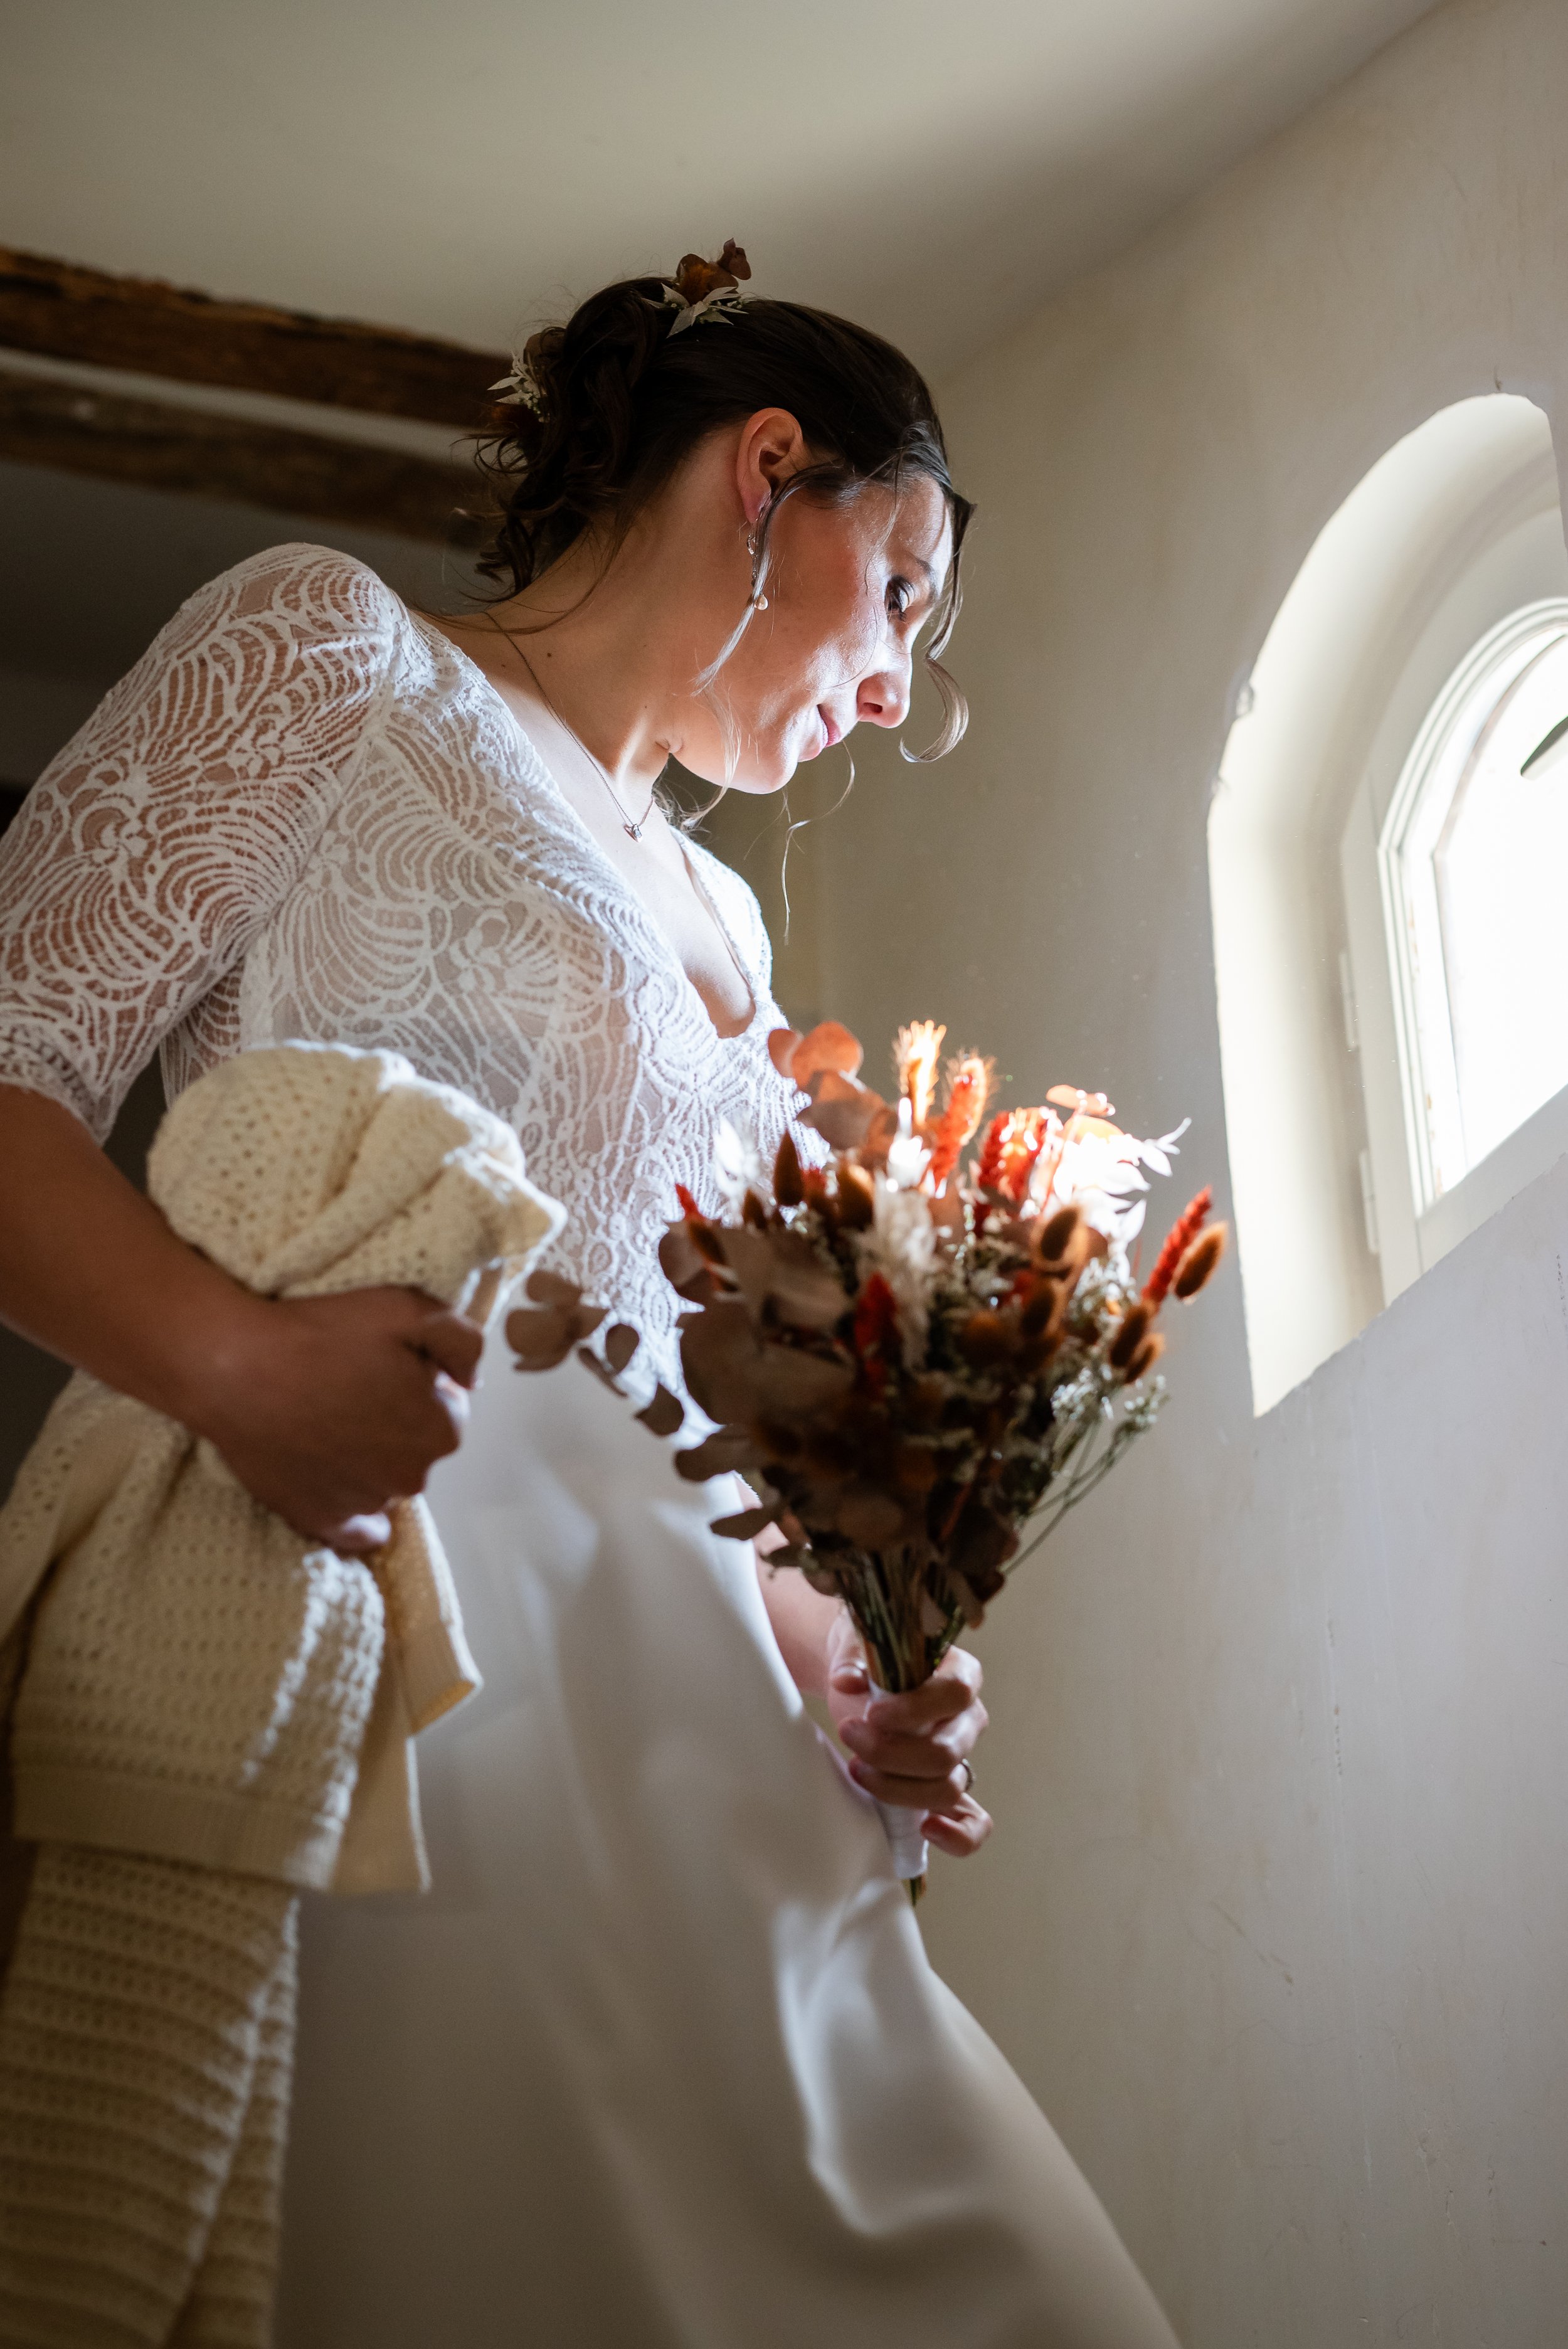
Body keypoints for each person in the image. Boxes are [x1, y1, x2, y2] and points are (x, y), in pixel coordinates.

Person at [0, 247, 1180, 2346]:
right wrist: (242, 1366)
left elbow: (704, 1406)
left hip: (712, 1737)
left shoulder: (724, 911)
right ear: (765, 474)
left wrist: (854, 1659)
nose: (897, 689)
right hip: (405, 1637)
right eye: (899, 587)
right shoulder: (330, 653)